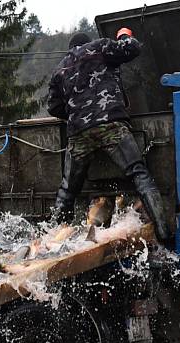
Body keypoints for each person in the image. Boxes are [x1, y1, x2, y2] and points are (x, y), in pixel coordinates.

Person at [47, 28, 170, 242]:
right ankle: (163, 231)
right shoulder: (100, 47)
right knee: (139, 174)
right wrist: (124, 35)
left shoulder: (60, 68)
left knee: (67, 191)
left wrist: (78, 113)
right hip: (110, 124)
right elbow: (133, 48)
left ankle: (52, 240)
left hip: (79, 134)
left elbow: (53, 106)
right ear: (87, 42)